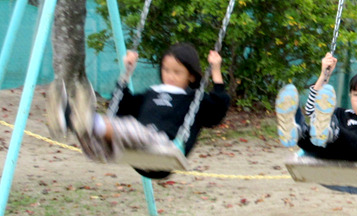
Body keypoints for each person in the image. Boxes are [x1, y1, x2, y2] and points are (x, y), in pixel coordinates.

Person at [47, 43, 229, 179]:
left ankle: (87, 120)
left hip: (164, 147)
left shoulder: (195, 99)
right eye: (166, 69)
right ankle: (69, 119)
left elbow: (217, 112)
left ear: (191, 75)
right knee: (102, 140)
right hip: (135, 150)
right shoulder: (152, 93)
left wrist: (216, 71)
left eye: (177, 72)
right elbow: (120, 108)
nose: (170, 75)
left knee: (135, 129)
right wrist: (126, 73)